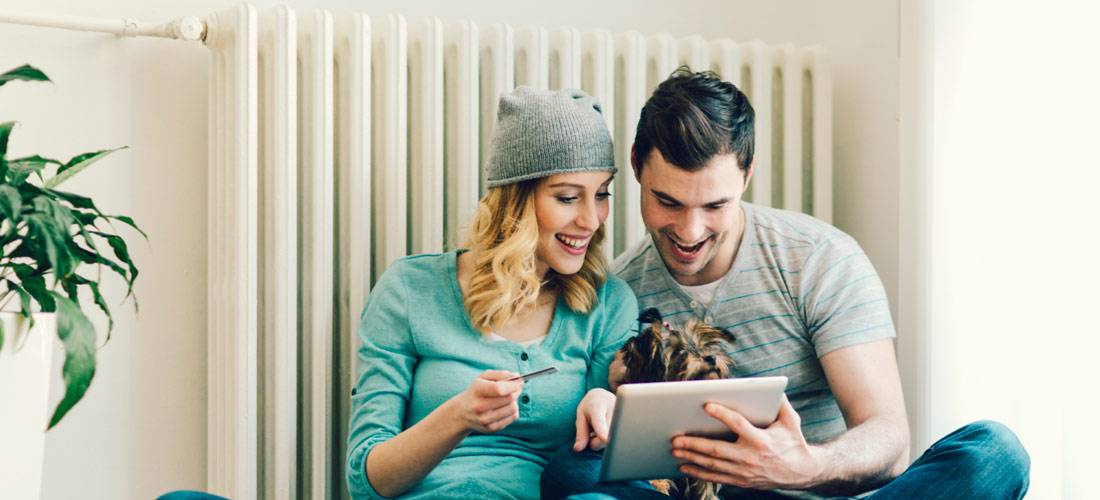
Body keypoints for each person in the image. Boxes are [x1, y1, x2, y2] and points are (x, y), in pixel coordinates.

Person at [540, 68, 1030, 499]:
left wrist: (803, 467)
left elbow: (888, 439)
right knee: (569, 474)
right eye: (667, 202)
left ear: (747, 174)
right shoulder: (619, 295)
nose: (689, 233)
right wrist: (606, 403)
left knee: (994, 453)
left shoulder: (818, 260)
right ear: (635, 167)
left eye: (714, 206)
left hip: (816, 489)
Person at [345, 87, 639, 499]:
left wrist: (604, 404)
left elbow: (588, 470)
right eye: (568, 197)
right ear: (515, 199)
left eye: (602, 194)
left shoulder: (607, 305)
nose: (591, 219)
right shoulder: (410, 290)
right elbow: (365, 481)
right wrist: (458, 416)